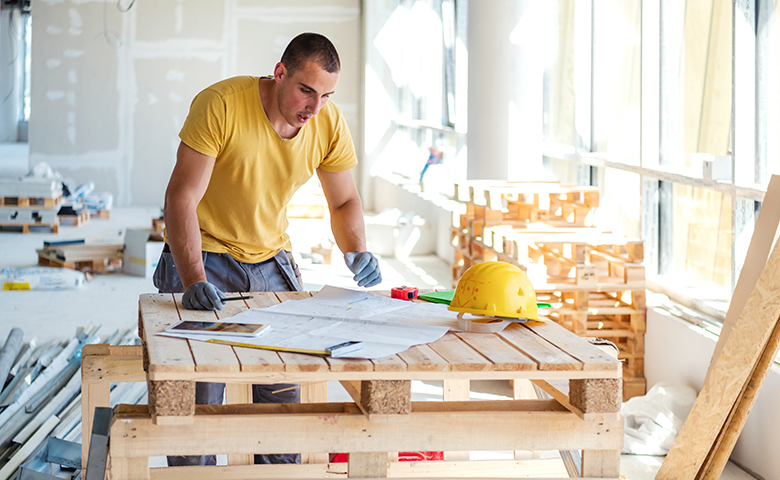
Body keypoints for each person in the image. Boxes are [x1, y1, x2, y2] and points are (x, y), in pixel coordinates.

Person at [153, 32, 382, 466]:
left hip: (270, 256)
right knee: (199, 392)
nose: (314, 108)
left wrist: (357, 249)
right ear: (280, 73)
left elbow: (344, 201)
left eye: (326, 96)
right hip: (204, 251)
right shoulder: (221, 105)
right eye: (306, 91)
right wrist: (193, 278)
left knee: (282, 385)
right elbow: (181, 198)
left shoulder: (327, 123)